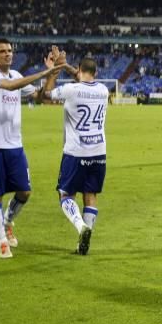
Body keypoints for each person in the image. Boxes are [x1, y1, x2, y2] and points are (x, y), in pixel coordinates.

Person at [0, 38, 64, 258]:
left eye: (10, 51)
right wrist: (41, 73)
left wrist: (51, 73)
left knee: (25, 192)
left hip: (15, 146)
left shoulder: (17, 76)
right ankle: (2, 241)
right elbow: (10, 87)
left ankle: (8, 221)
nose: (8, 54)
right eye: (2, 51)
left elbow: (40, 97)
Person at [40, 48, 109, 255]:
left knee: (65, 194)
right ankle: (83, 246)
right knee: (91, 195)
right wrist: (66, 65)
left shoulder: (71, 90)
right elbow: (83, 80)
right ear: (95, 73)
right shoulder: (104, 91)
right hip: (98, 152)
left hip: (75, 152)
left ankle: (81, 227)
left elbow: (46, 96)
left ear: (79, 69)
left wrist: (54, 71)